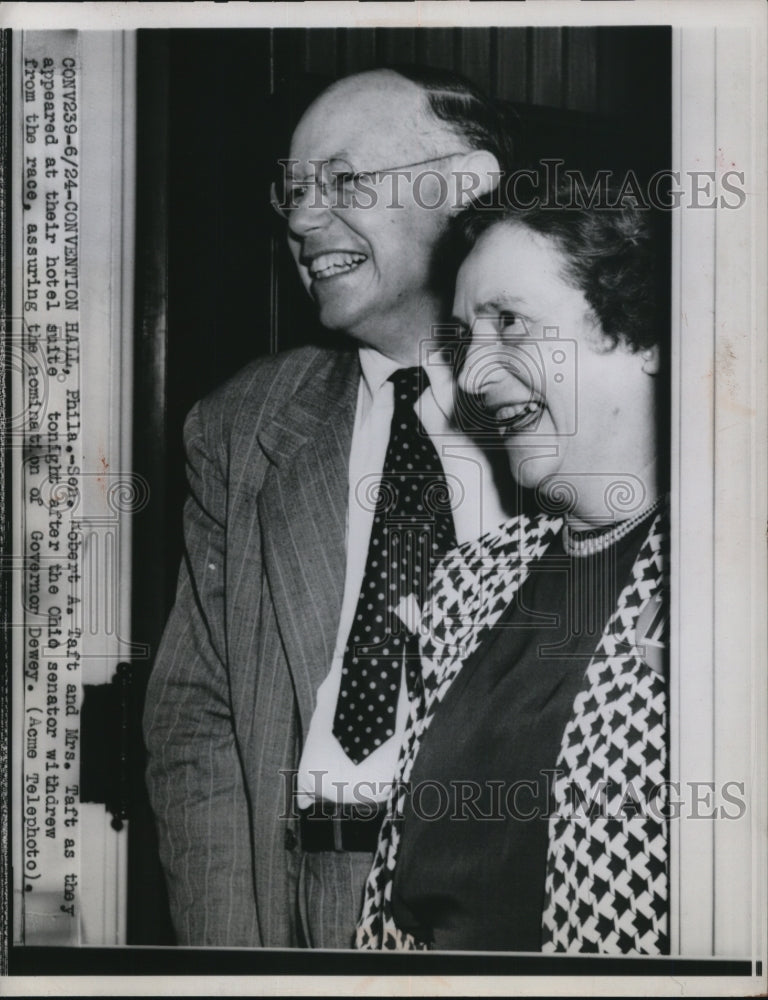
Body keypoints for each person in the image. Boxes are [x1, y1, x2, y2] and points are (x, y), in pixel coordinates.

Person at [143, 65, 515, 948]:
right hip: (308, 895)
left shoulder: (583, 409)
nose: (303, 222)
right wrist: (237, 962)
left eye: (344, 181)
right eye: (294, 190)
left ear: (466, 186)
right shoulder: (242, 425)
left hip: (512, 890)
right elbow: (197, 726)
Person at [356, 184, 670, 953]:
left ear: (643, 333)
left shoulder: (726, 574)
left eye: (511, 324)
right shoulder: (471, 581)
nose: (472, 378)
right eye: (468, 340)